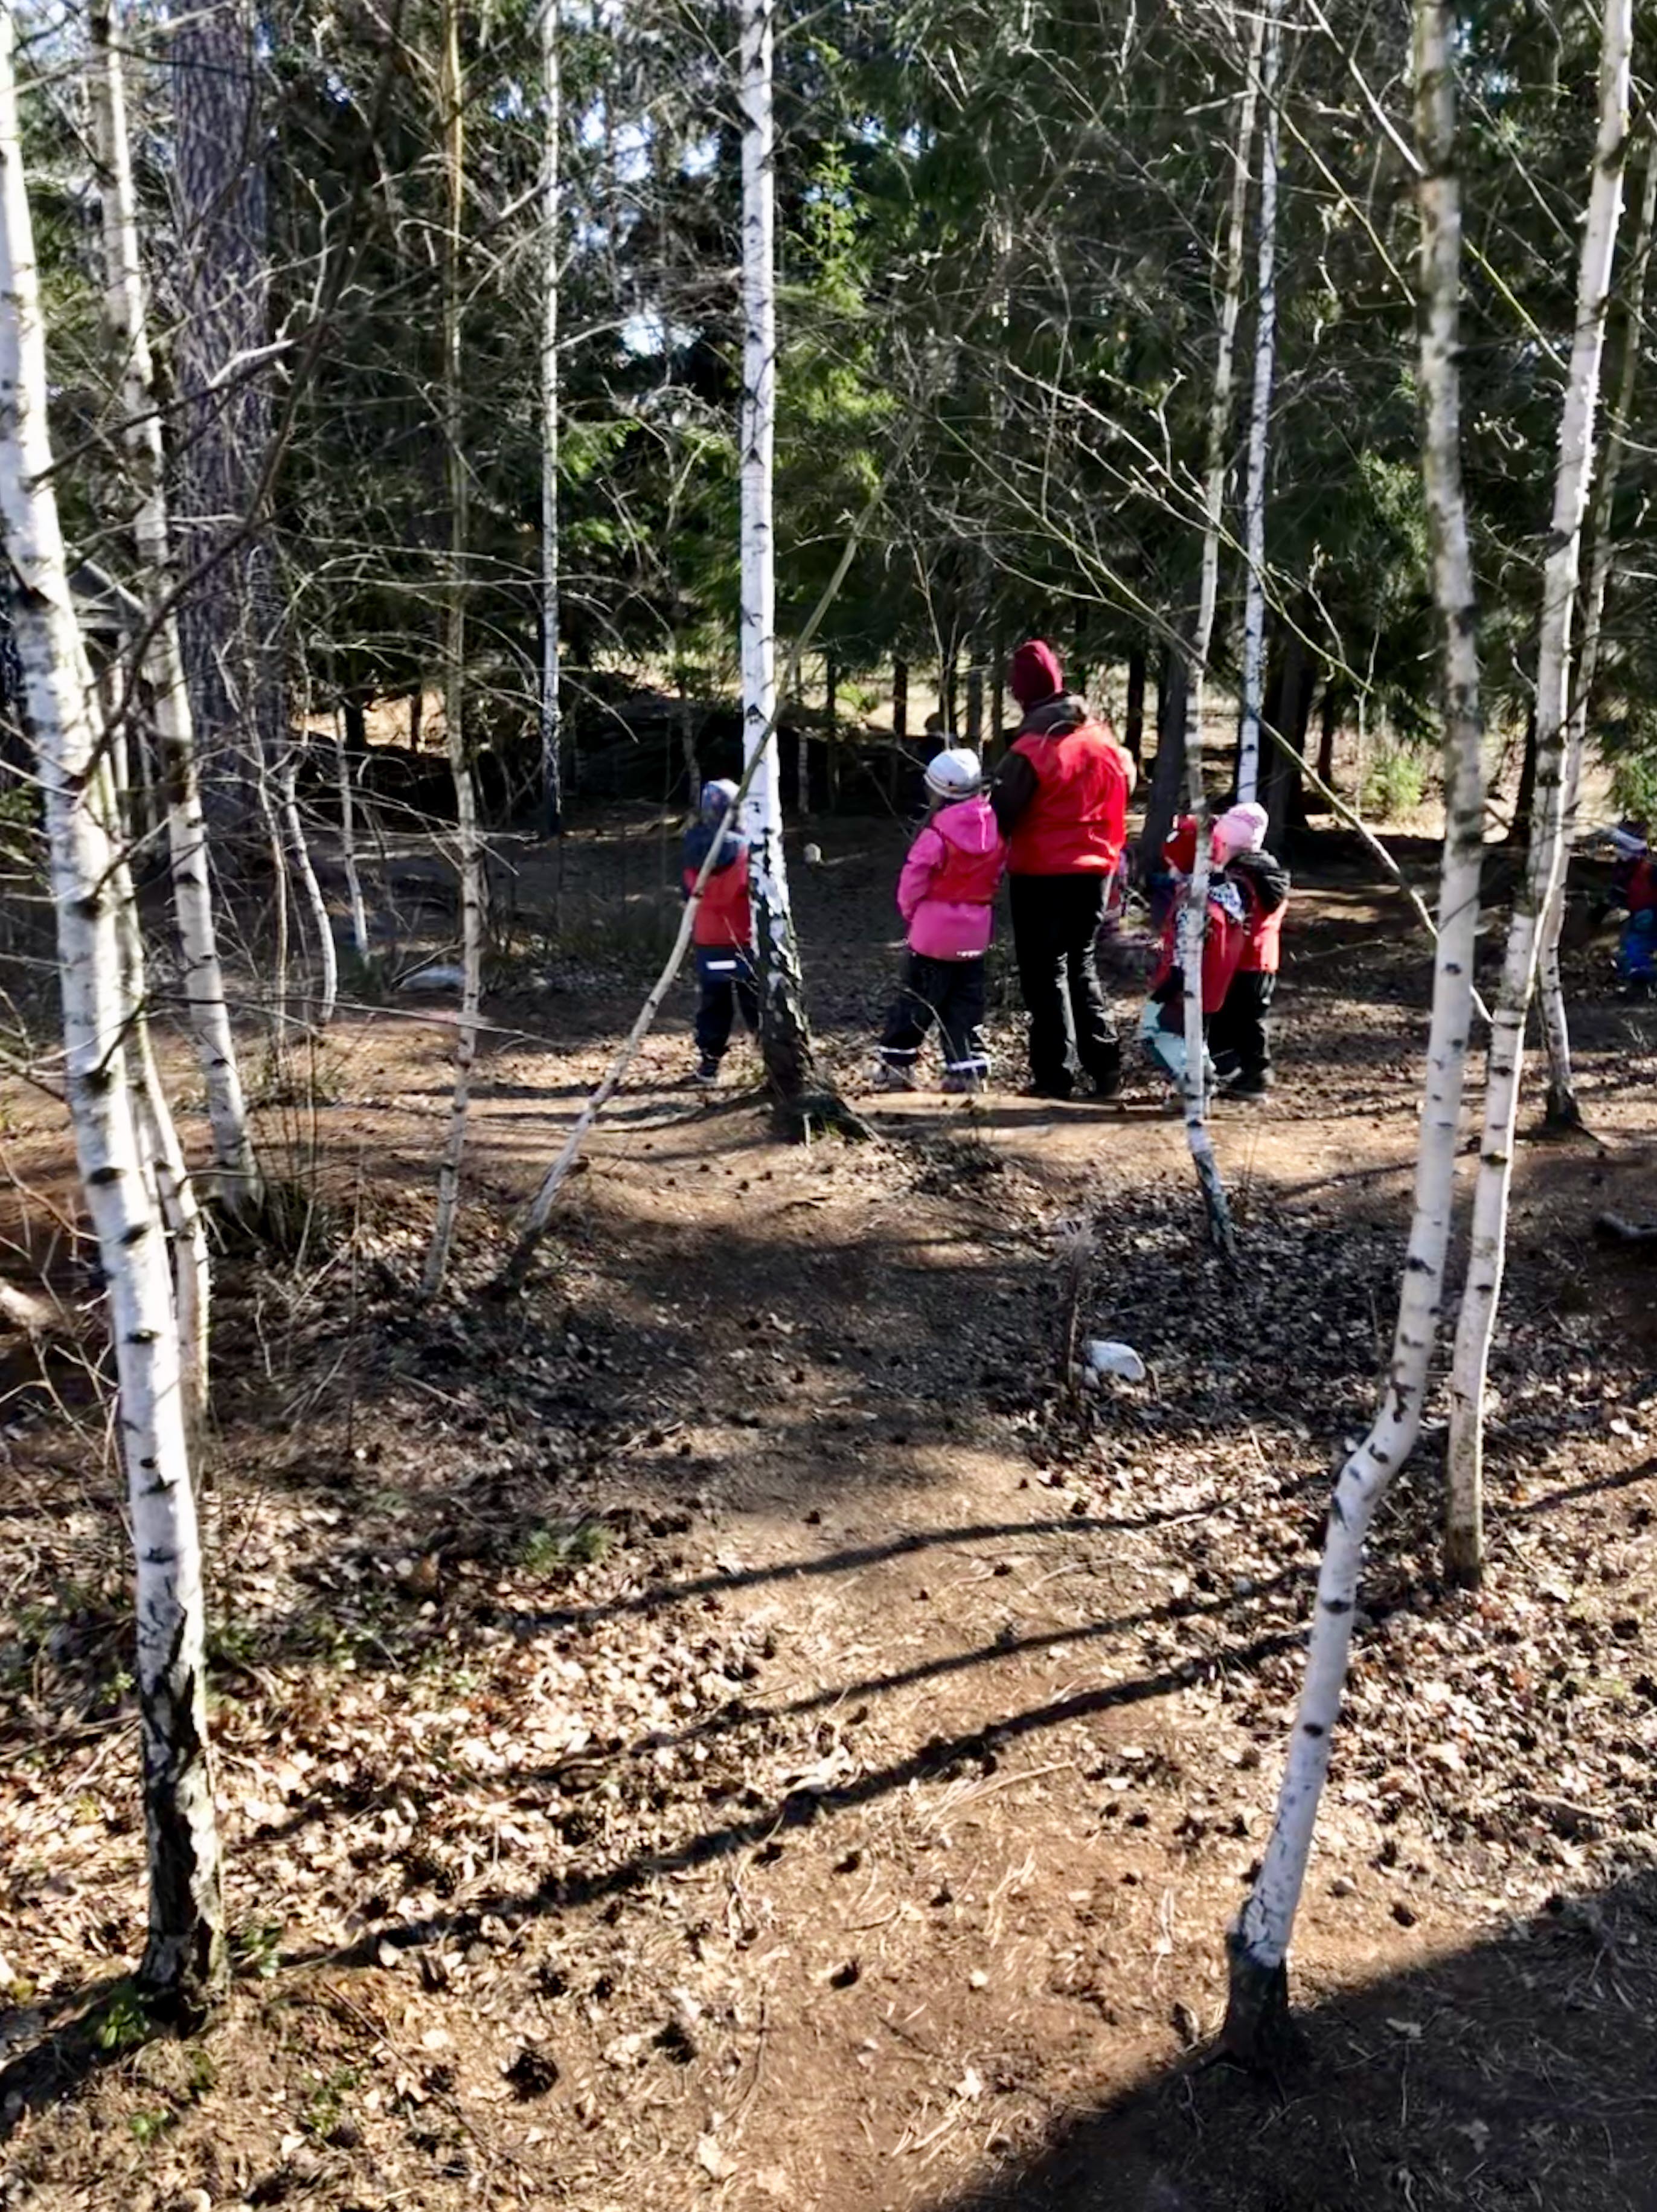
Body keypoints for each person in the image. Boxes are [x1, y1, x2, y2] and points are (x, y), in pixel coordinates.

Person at [990, 640, 1136, 1099]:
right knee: (1082, 962)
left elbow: (1003, 812)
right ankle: (1107, 1069)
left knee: (1045, 972)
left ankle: (1054, 1075)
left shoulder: (1031, 749)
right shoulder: (1105, 741)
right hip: (1097, 870)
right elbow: (1128, 784)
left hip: (1041, 872)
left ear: (1023, 694)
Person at [875, 748, 1005, 1094]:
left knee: (916, 998)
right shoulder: (995, 827)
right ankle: (967, 1069)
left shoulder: (936, 834)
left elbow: (913, 880)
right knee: (965, 1002)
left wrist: (911, 913)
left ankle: (897, 1064)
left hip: (933, 932)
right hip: (976, 930)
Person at [1138, 814, 1246, 1096]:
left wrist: (1168, 988)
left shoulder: (1194, 904)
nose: (1170, 869)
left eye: (1173, 863)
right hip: (1212, 988)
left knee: (1155, 1032)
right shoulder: (1227, 894)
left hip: (1184, 987)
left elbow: (1187, 954)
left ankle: (1196, 1082)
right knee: (1191, 1036)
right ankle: (1200, 1076)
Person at [1208, 802, 1290, 1097]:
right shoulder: (1269, 875)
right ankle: (1238, 1069)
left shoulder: (1241, 879)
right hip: (1265, 960)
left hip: (1242, 961)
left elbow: (1229, 914)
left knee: (1239, 1019)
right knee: (1246, 1017)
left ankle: (1255, 1074)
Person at [682, 779, 757, 1085]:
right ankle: (772, 1055)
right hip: (743, 937)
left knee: (714, 1002)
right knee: (754, 1000)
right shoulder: (747, 850)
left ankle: (709, 1064)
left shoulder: (692, 849)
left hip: (708, 939)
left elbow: (688, 894)